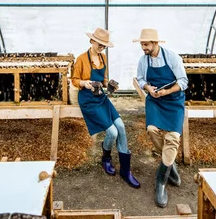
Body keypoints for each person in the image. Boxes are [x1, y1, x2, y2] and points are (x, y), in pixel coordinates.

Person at [71, 27, 140, 188]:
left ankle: (125, 170)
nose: (102, 47)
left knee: (121, 127)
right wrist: (84, 83)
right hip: (88, 100)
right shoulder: (81, 59)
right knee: (112, 132)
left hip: (100, 98)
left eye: (104, 45)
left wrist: (107, 84)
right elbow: (74, 80)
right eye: (100, 44)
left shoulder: (103, 58)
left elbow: (103, 79)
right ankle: (106, 157)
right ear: (92, 41)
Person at [134, 28, 188, 208]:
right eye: (142, 44)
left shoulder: (172, 58)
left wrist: (166, 91)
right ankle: (169, 163)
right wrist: (149, 89)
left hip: (173, 101)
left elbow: (183, 82)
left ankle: (161, 184)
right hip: (155, 101)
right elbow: (141, 79)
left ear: (156, 44)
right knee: (151, 129)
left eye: (146, 44)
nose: (143, 48)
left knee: (173, 137)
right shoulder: (143, 60)